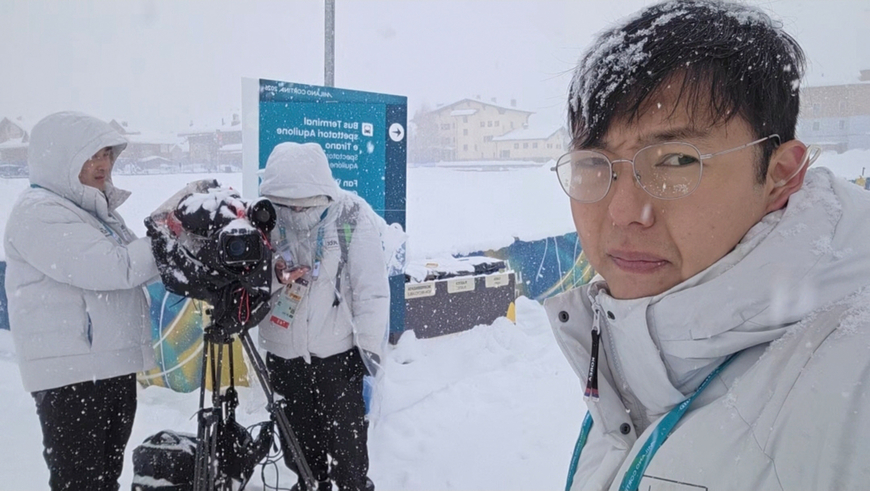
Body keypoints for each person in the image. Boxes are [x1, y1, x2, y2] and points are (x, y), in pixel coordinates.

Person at [545, 1, 870, 490]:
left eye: (675, 160)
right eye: (595, 163)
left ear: (780, 174)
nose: (623, 212)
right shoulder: (636, 351)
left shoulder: (851, 380)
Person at [3, 111, 160, 490]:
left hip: (103, 368)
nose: (103, 164)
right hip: (74, 377)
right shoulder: (39, 213)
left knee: (104, 478)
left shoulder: (92, 211)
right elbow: (116, 267)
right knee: (81, 482)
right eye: (92, 155)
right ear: (61, 159)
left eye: (107, 153)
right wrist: (173, 240)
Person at [258, 142, 388, 491]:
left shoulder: (349, 216)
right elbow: (250, 281)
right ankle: (311, 483)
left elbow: (371, 290)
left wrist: (368, 352)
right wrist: (276, 274)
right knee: (299, 446)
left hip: (338, 357)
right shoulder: (265, 217)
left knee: (347, 449)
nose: (293, 208)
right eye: (285, 200)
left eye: (300, 199)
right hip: (284, 354)